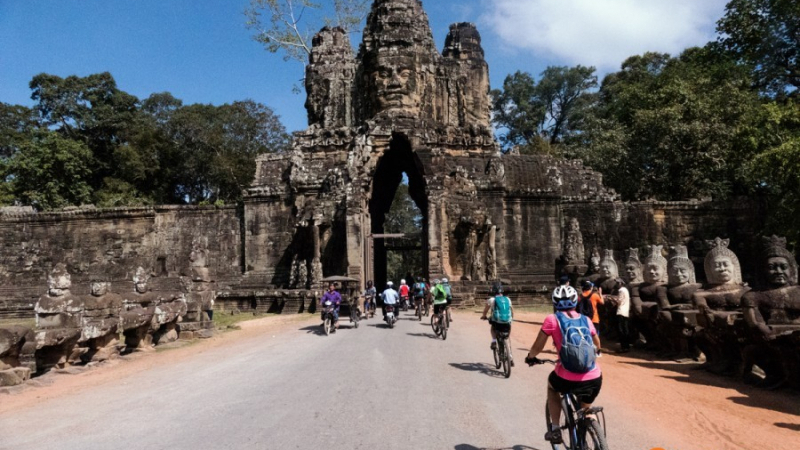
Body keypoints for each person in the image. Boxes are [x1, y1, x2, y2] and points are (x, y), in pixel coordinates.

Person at [525, 285, 602, 445]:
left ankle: (555, 429)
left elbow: (538, 346)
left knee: (552, 386)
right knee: (586, 408)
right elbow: (597, 343)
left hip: (566, 377)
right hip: (594, 377)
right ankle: (593, 430)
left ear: (554, 302)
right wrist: (596, 351)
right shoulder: (586, 319)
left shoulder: (552, 320)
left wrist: (531, 357)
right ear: (575, 302)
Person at [480, 281, 514, 365]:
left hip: (497, 322)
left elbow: (486, 310)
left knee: (492, 328)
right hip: (507, 322)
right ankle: (510, 356)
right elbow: (512, 310)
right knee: (507, 336)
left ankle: (494, 341)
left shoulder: (491, 300)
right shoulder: (508, 299)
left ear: (493, 291)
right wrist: (511, 318)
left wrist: (484, 316)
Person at [611, 278, 632, 352]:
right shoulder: (626, 290)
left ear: (621, 283)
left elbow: (619, 301)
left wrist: (612, 299)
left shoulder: (621, 290)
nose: (616, 284)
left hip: (621, 311)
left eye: (618, 283)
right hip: (625, 312)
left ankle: (623, 347)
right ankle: (626, 346)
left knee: (621, 330)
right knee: (625, 329)